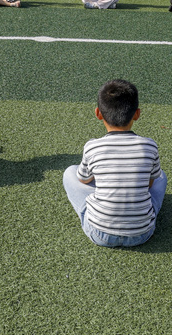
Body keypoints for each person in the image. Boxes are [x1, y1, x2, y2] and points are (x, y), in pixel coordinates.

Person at [63, 79, 166, 247]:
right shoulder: (149, 145)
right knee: (161, 177)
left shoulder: (92, 147)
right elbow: (149, 184)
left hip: (100, 233)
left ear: (98, 113)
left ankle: (102, 204)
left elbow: (83, 180)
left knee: (70, 172)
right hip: (142, 233)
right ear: (137, 114)